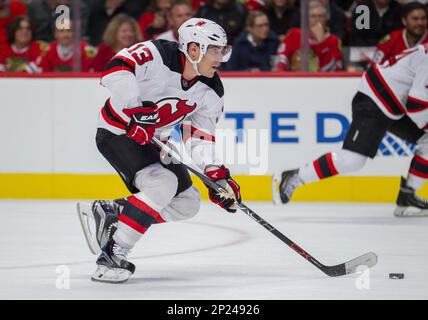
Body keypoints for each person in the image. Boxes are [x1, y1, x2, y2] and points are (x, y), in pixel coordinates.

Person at [77, 18, 241, 283]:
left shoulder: (211, 90)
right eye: (214, 49)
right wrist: (134, 110)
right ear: (194, 49)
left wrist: (216, 174)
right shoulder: (157, 54)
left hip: (154, 140)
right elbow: (115, 69)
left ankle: (114, 212)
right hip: (117, 132)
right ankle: (111, 256)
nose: (219, 57)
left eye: (222, 50)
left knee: (188, 204)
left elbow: (198, 136)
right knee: (163, 184)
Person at [273, 43, 428, 217]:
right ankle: (296, 176)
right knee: (352, 160)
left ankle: (408, 197)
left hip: (395, 101)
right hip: (376, 98)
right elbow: (417, 103)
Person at [273, 0, 343, 71]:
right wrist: (280, 67)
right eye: (313, 16)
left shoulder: (334, 41)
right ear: (306, 19)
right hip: (295, 79)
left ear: (326, 19)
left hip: (321, 80)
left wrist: (322, 43)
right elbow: (281, 57)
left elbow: (333, 70)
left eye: (321, 16)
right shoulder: (294, 34)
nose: (317, 20)